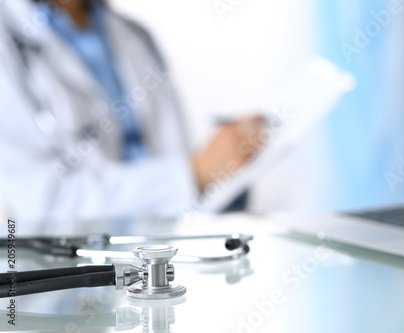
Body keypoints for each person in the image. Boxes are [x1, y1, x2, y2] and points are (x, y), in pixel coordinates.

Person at [0, 0, 263, 224]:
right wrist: (193, 173)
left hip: (166, 255)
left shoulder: (134, 35)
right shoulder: (9, 41)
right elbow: (40, 204)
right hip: (75, 271)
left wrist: (229, 165)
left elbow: (172, 156)